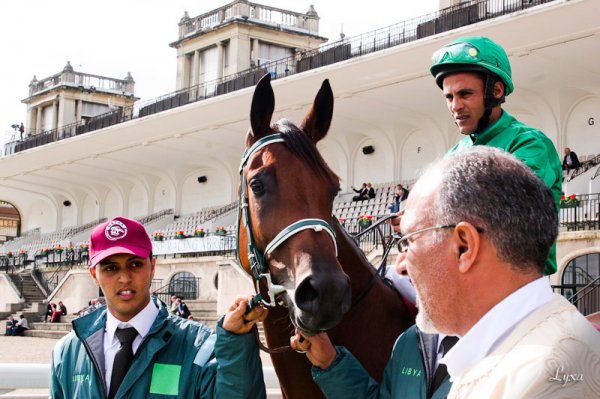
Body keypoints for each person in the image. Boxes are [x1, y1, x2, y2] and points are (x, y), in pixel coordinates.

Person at [394, 147, 597, 397]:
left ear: (464, 246)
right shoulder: (518, 354)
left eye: (409, 241)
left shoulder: (544, 382)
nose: (400, 266)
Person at [50, 216, 267, 399]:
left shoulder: (199, 346)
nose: (124, 278)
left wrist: (235, 342)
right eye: (110, 268)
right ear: (93, 275)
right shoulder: (68, 352)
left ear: (152, 267)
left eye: (135, 264)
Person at [430, 35, 562, 276]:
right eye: (449, 97)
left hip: (518, 283)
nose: (455, 106)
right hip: (463, 277)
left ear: (496, 91)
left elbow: (503, 208)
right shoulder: (455, 153)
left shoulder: (530, 143)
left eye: (465, 94)